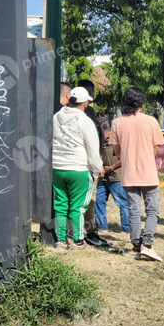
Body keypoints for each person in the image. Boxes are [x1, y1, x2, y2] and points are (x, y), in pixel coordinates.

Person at [110, 87, 164, 261]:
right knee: (152, 210)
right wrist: (147, 157)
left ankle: (136, 243)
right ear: (141, 104)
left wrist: (128, 157)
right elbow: (157, 146)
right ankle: (147, 244)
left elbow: (117, 150)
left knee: (134, 210)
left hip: (128, 174)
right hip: (148, 172)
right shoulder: (151, 121)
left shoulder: (117, 123)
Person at [52, 87, 103, 249]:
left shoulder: (55, 117)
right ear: (85, 103)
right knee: (78, 207)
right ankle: (79, 241)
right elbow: (93, 150)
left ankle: (61, 240)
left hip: (57, 167)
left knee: (60, 205)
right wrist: (96, 170)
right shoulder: (85, 121)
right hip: (79, 169)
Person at [78, 79, 110, 248]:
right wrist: (98, 166)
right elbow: (95, 139)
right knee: (89, 200)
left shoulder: (61, 113)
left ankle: (75, 233)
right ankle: (89, 233)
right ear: (89, 94)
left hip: (69, 164)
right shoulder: (88, 111)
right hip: (87, 165)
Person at [94, 119, 130, 235]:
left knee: (122, 203)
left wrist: (110, 168)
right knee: (98, 201)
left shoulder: (116, 140)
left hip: (116, 177)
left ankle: (127, 228)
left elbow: (124, 158)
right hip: (102, 178)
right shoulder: (98, 141)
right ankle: (102, 226)